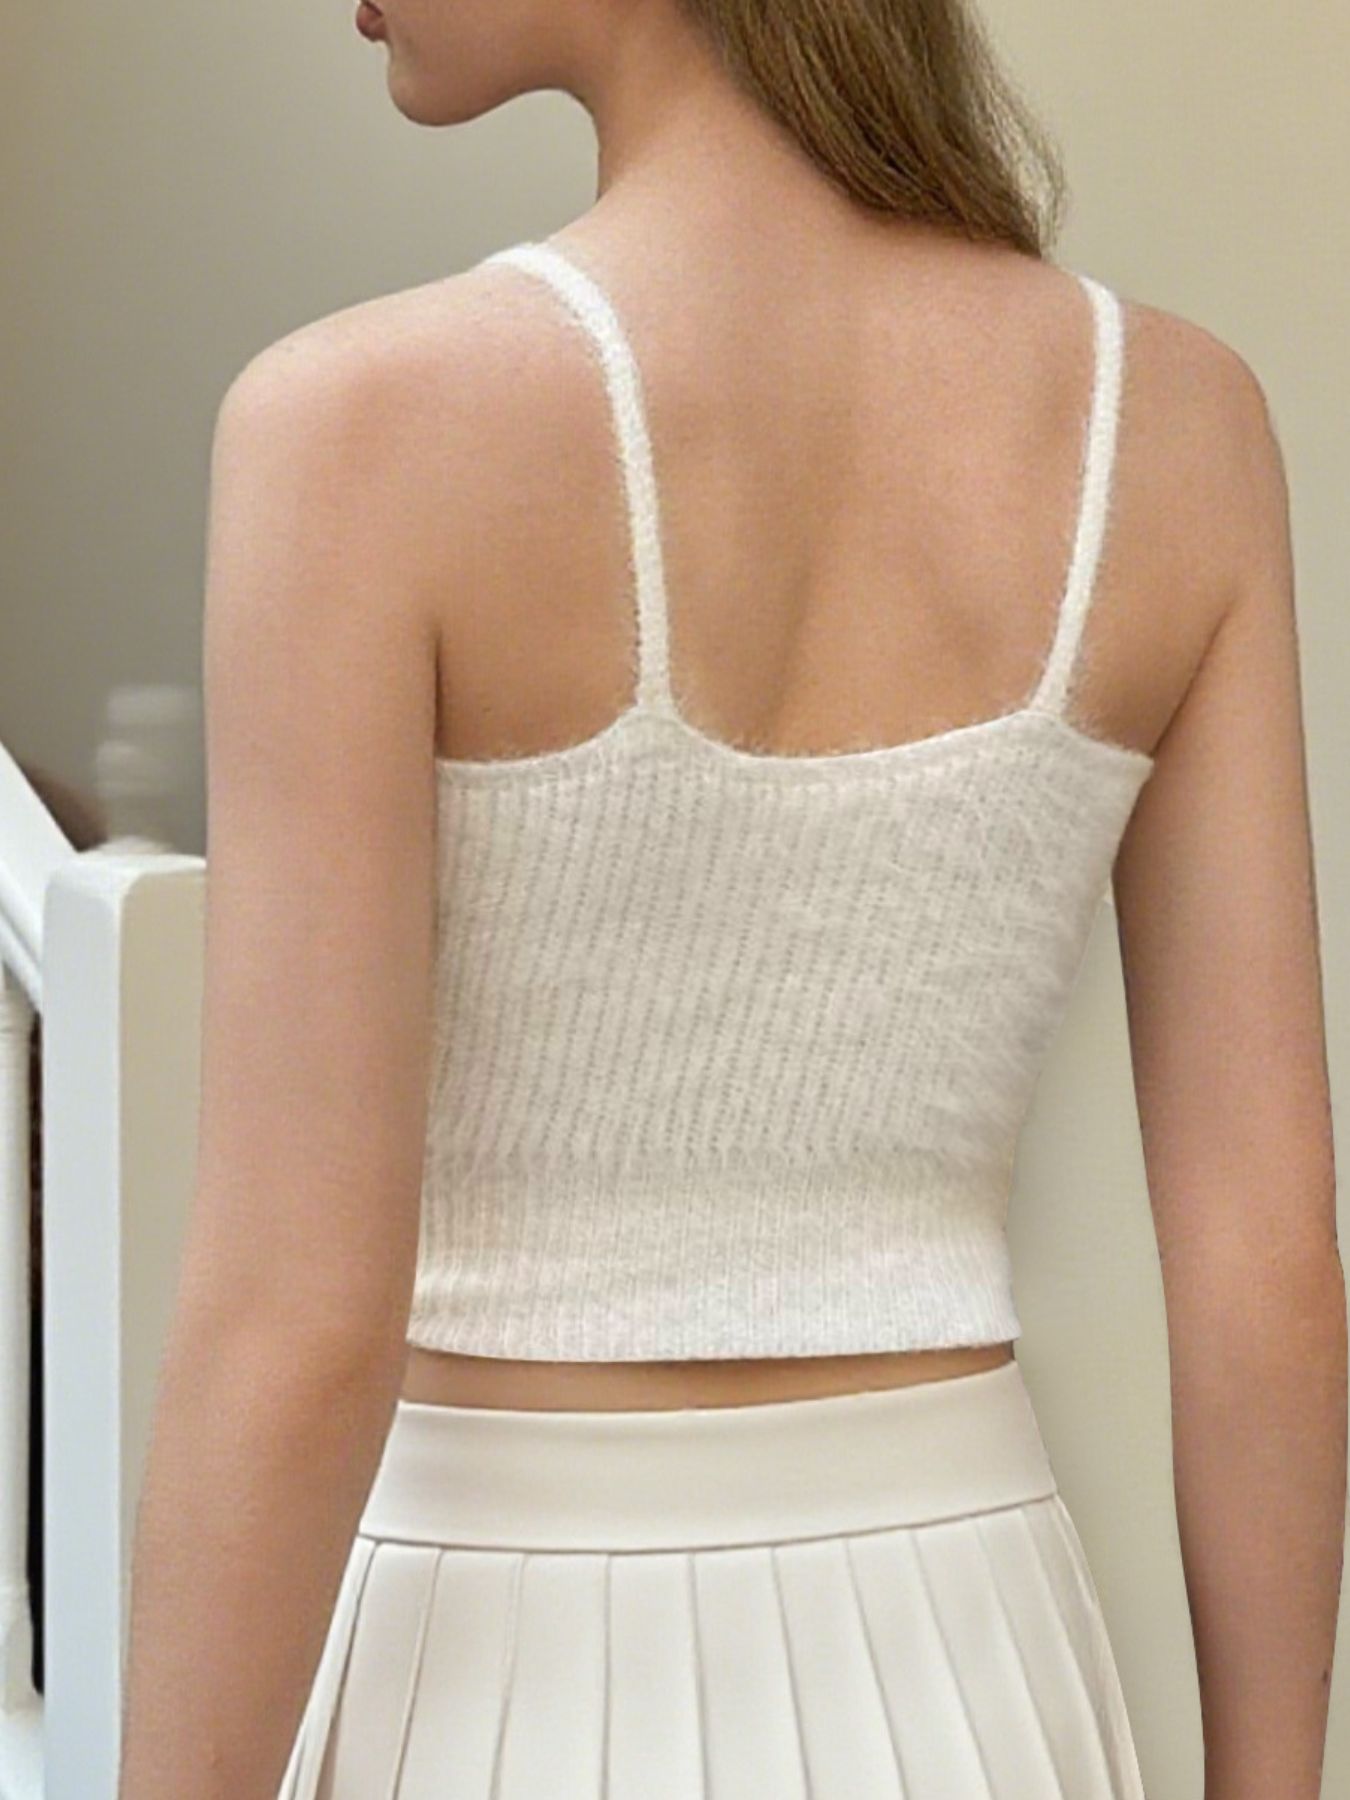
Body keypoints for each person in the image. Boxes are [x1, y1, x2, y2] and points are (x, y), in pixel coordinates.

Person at [116, 1, 1345, 1796]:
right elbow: (1261, 1264)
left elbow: (294, 1323)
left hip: (486, 1669)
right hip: (972, 1677)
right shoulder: (1175, 424)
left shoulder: (355, 429)